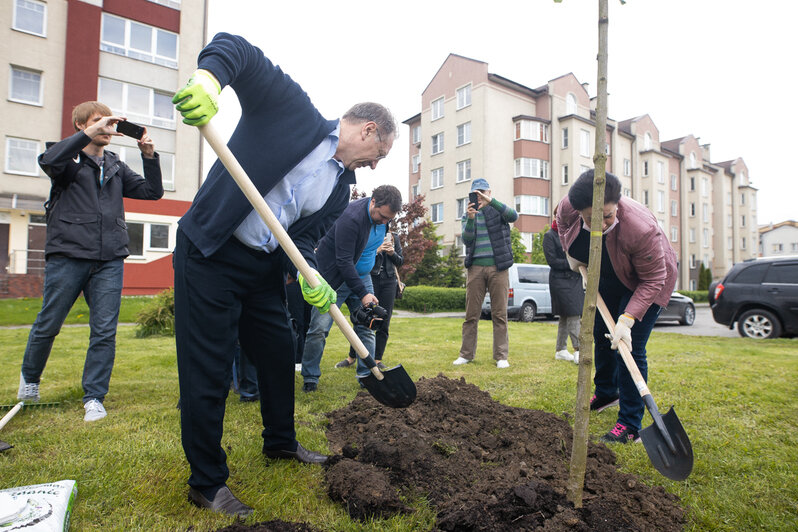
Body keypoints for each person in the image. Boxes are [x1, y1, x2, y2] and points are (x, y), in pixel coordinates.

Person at [171, 33, 396, 517]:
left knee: (277, 354)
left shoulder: (341, 189)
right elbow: (237, 50)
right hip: (210, 253)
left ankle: (281, 442)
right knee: (207, 368)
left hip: (261, 270)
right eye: (381, 153)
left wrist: (311, 274)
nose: (376, 165)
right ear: (369, 130)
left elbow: (306, 240)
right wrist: (210, 81)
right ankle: (207, 483)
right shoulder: (292, 111)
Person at [17, 101, 163, 422]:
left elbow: (153, 192)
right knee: (48, 324)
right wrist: (91, 133)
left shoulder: (115, 165)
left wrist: (149, 155)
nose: (108, 127)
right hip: (69, 254)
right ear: (82, 127)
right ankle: (30, 381)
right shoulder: (67, 160)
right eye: (99, 122)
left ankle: (94, 397)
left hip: (110, 258)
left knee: (104, 331)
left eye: (109, 122)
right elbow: (47, 160)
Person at [556, 170, 677, 444]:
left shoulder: (640, 228)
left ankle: (630, 424)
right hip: (609, 274)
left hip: (647, 282)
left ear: (617, 204)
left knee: (628, 347)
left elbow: (653, 278)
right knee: (602, 335)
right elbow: (561, 224)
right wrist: (571, 253)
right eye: (591, 219)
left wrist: (628, 318)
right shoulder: (569, 206)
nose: (601, 224)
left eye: (608, 216)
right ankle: (608, 392)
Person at [301, 186, 402, 391]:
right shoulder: (351, 218)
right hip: (334, 279)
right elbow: (344, 262)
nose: (384, 222)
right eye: (382, 216)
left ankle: (366, 377)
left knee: (367, 326)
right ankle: (310, 377)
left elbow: (369, 250)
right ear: (373, 201)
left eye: (388, 219)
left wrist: (366, 284)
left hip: (361, 276)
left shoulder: (384, 219)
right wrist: (363, 293)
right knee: (319, 329)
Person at [453, 178, 518, 369]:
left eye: (482, 192)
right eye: (475, 193)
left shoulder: (498, 210)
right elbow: (467, 240)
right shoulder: (469, 214)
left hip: (498, 268)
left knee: (499, 314)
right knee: (471, 314)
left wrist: (492, 202)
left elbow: (513, 216)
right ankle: (466, 354)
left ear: (489, 192)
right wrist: (471, 219)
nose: (478, 196)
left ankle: (501, 356)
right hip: (475, 269)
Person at [338, 225, 403, 370]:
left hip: (389, 282)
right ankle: (352, 356)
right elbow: (358, 257)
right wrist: (377, 250)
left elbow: (400, 261)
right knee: (362, 319)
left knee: (383, 321)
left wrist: (392, 253)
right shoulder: (368, 235)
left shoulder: (395, 237)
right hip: (370, 279)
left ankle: (377, 359)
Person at [542, 207, 583, 364]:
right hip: (560, 281)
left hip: (575, 280)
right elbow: (553, 262)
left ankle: (560, 349)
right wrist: (573, 263)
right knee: (573, 314)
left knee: (566, 315)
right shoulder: (549, 236)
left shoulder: (573, 234)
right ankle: (578, 349)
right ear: (556, 216)